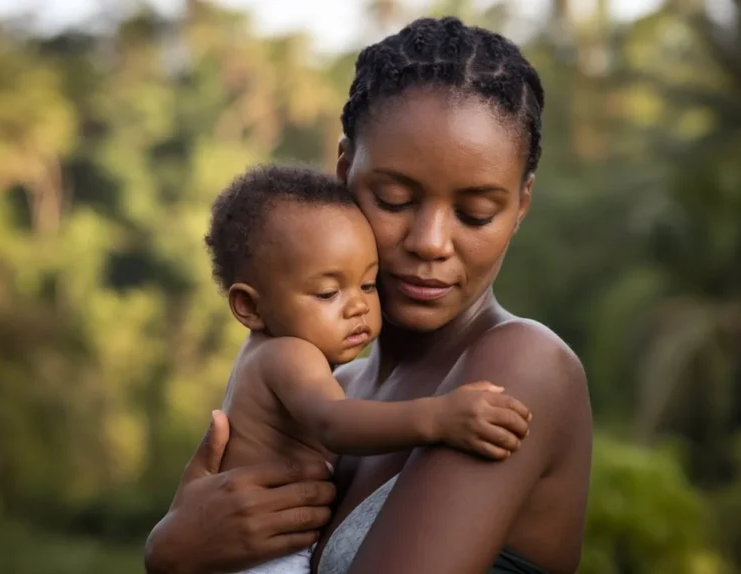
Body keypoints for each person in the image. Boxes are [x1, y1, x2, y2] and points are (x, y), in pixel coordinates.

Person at [144, 15, 593, 574]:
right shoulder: (332, 388)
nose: (430, 243)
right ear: (343, 169)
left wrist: (170, 557)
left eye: (475, 214)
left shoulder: (521, 365)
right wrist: (173, 549)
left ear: (521, 205)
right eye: (395, 200)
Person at [199, 163, 533, 573]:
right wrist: (440, 416)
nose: (358, 306)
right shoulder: (286, 355)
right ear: (250, 307)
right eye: (327, 293)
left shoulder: (276, 358)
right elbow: (334, 423)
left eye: (369, 284)